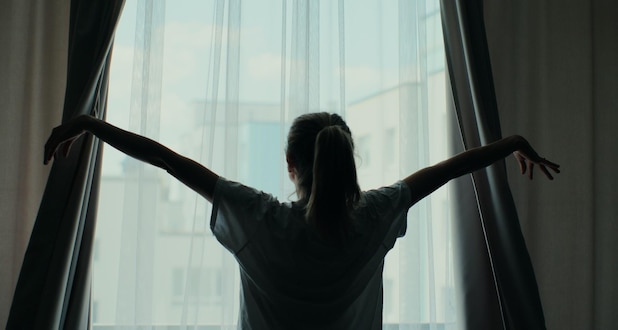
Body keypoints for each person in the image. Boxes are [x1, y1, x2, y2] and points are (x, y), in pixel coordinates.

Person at [44, 112, 559, 329]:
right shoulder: (374, 217)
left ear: (291, 166)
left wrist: (91, 124)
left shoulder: (260, 220)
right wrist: (510, 142)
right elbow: (449, 170)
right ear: (346, 162)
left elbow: (169, 161)